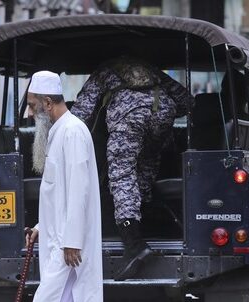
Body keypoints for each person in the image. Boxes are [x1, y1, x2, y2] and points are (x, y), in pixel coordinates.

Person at [71, 58, 189, 280]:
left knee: (122, 174)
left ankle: (134, 245)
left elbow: (81, 112)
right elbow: (186, 100)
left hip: (129, 114)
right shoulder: (150, 67)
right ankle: (146, 222)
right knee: (144, 166)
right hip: (163, 110)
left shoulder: (104, 69)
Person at [24, 71, 102, 302]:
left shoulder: (72, 131)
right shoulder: (59, 131)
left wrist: (71, 240)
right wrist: (42, 227)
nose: (31, 113)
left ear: (46, 102)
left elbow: (79, 189)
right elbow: (59, 194)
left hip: (71, 243)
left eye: (32, 106)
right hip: (59, 237)